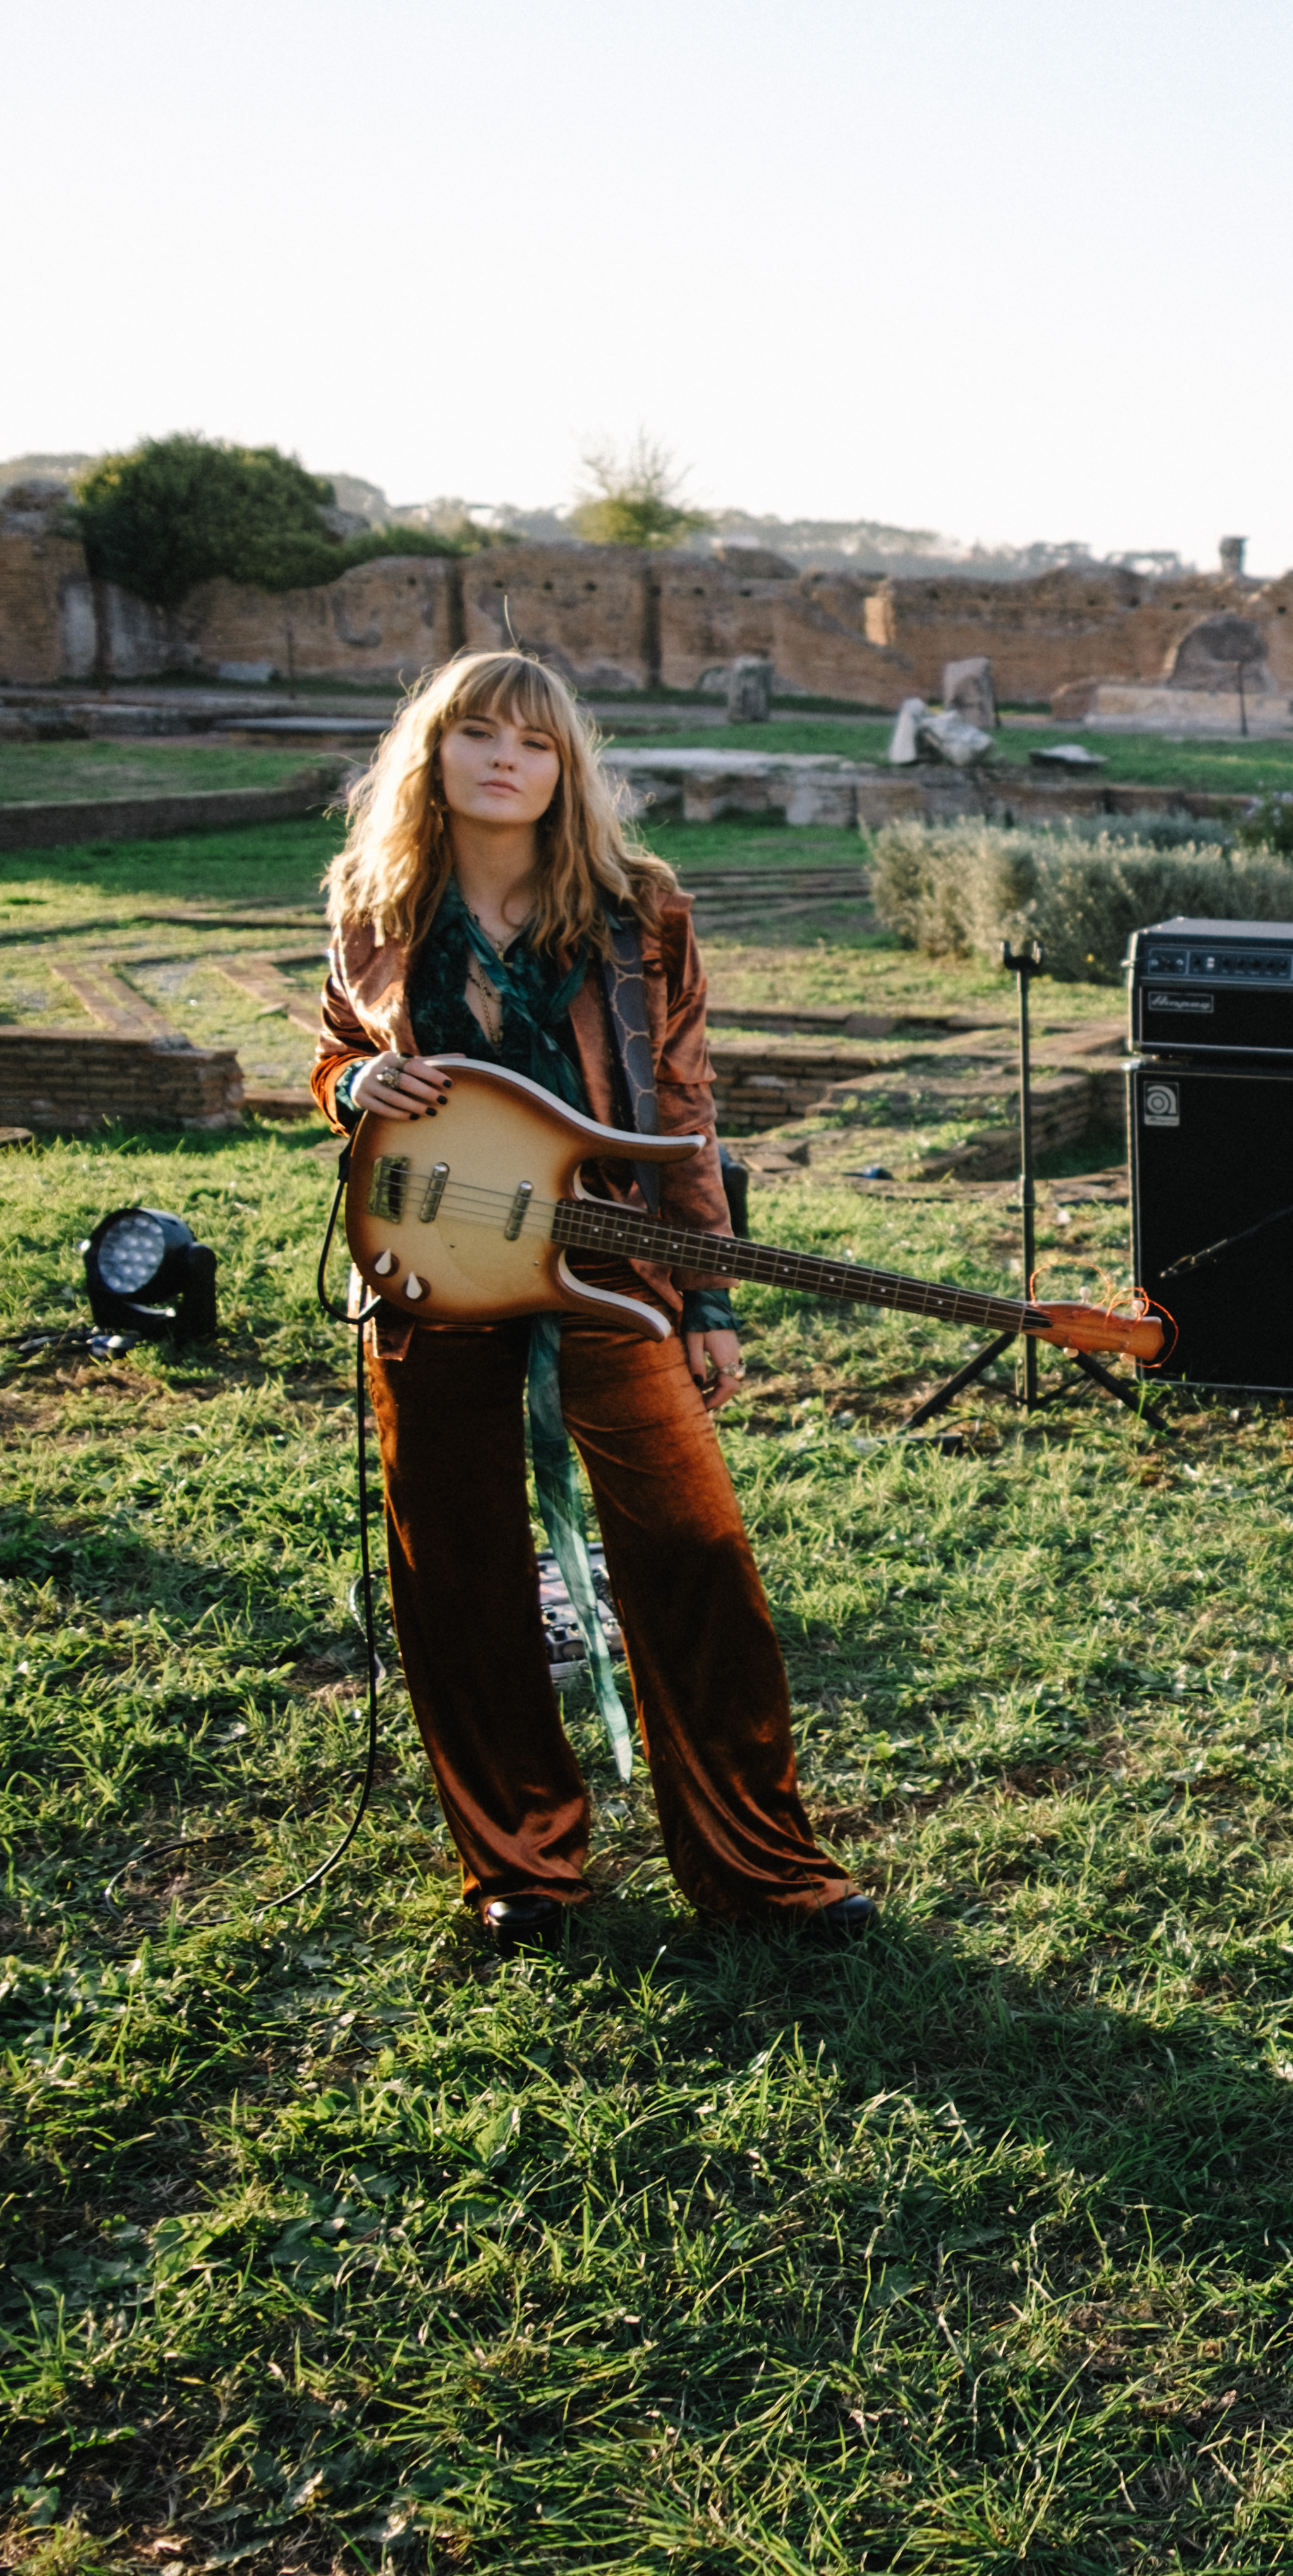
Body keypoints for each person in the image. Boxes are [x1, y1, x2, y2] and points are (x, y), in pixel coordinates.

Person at [315, 649, 869, 1954]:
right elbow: (339, 1049)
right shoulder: (376, 903)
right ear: (433, 756)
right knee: (458, 1566)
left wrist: (710, 1299)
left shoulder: (640, 910)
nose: (508, 759)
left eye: (538, 742)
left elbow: (682, 1110)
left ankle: (760, 1862)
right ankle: (522, 1859)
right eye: (480, 735)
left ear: (568, 769)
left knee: (696, 1550)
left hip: (609, 1262)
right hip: (431, 1268)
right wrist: (353, 1091)